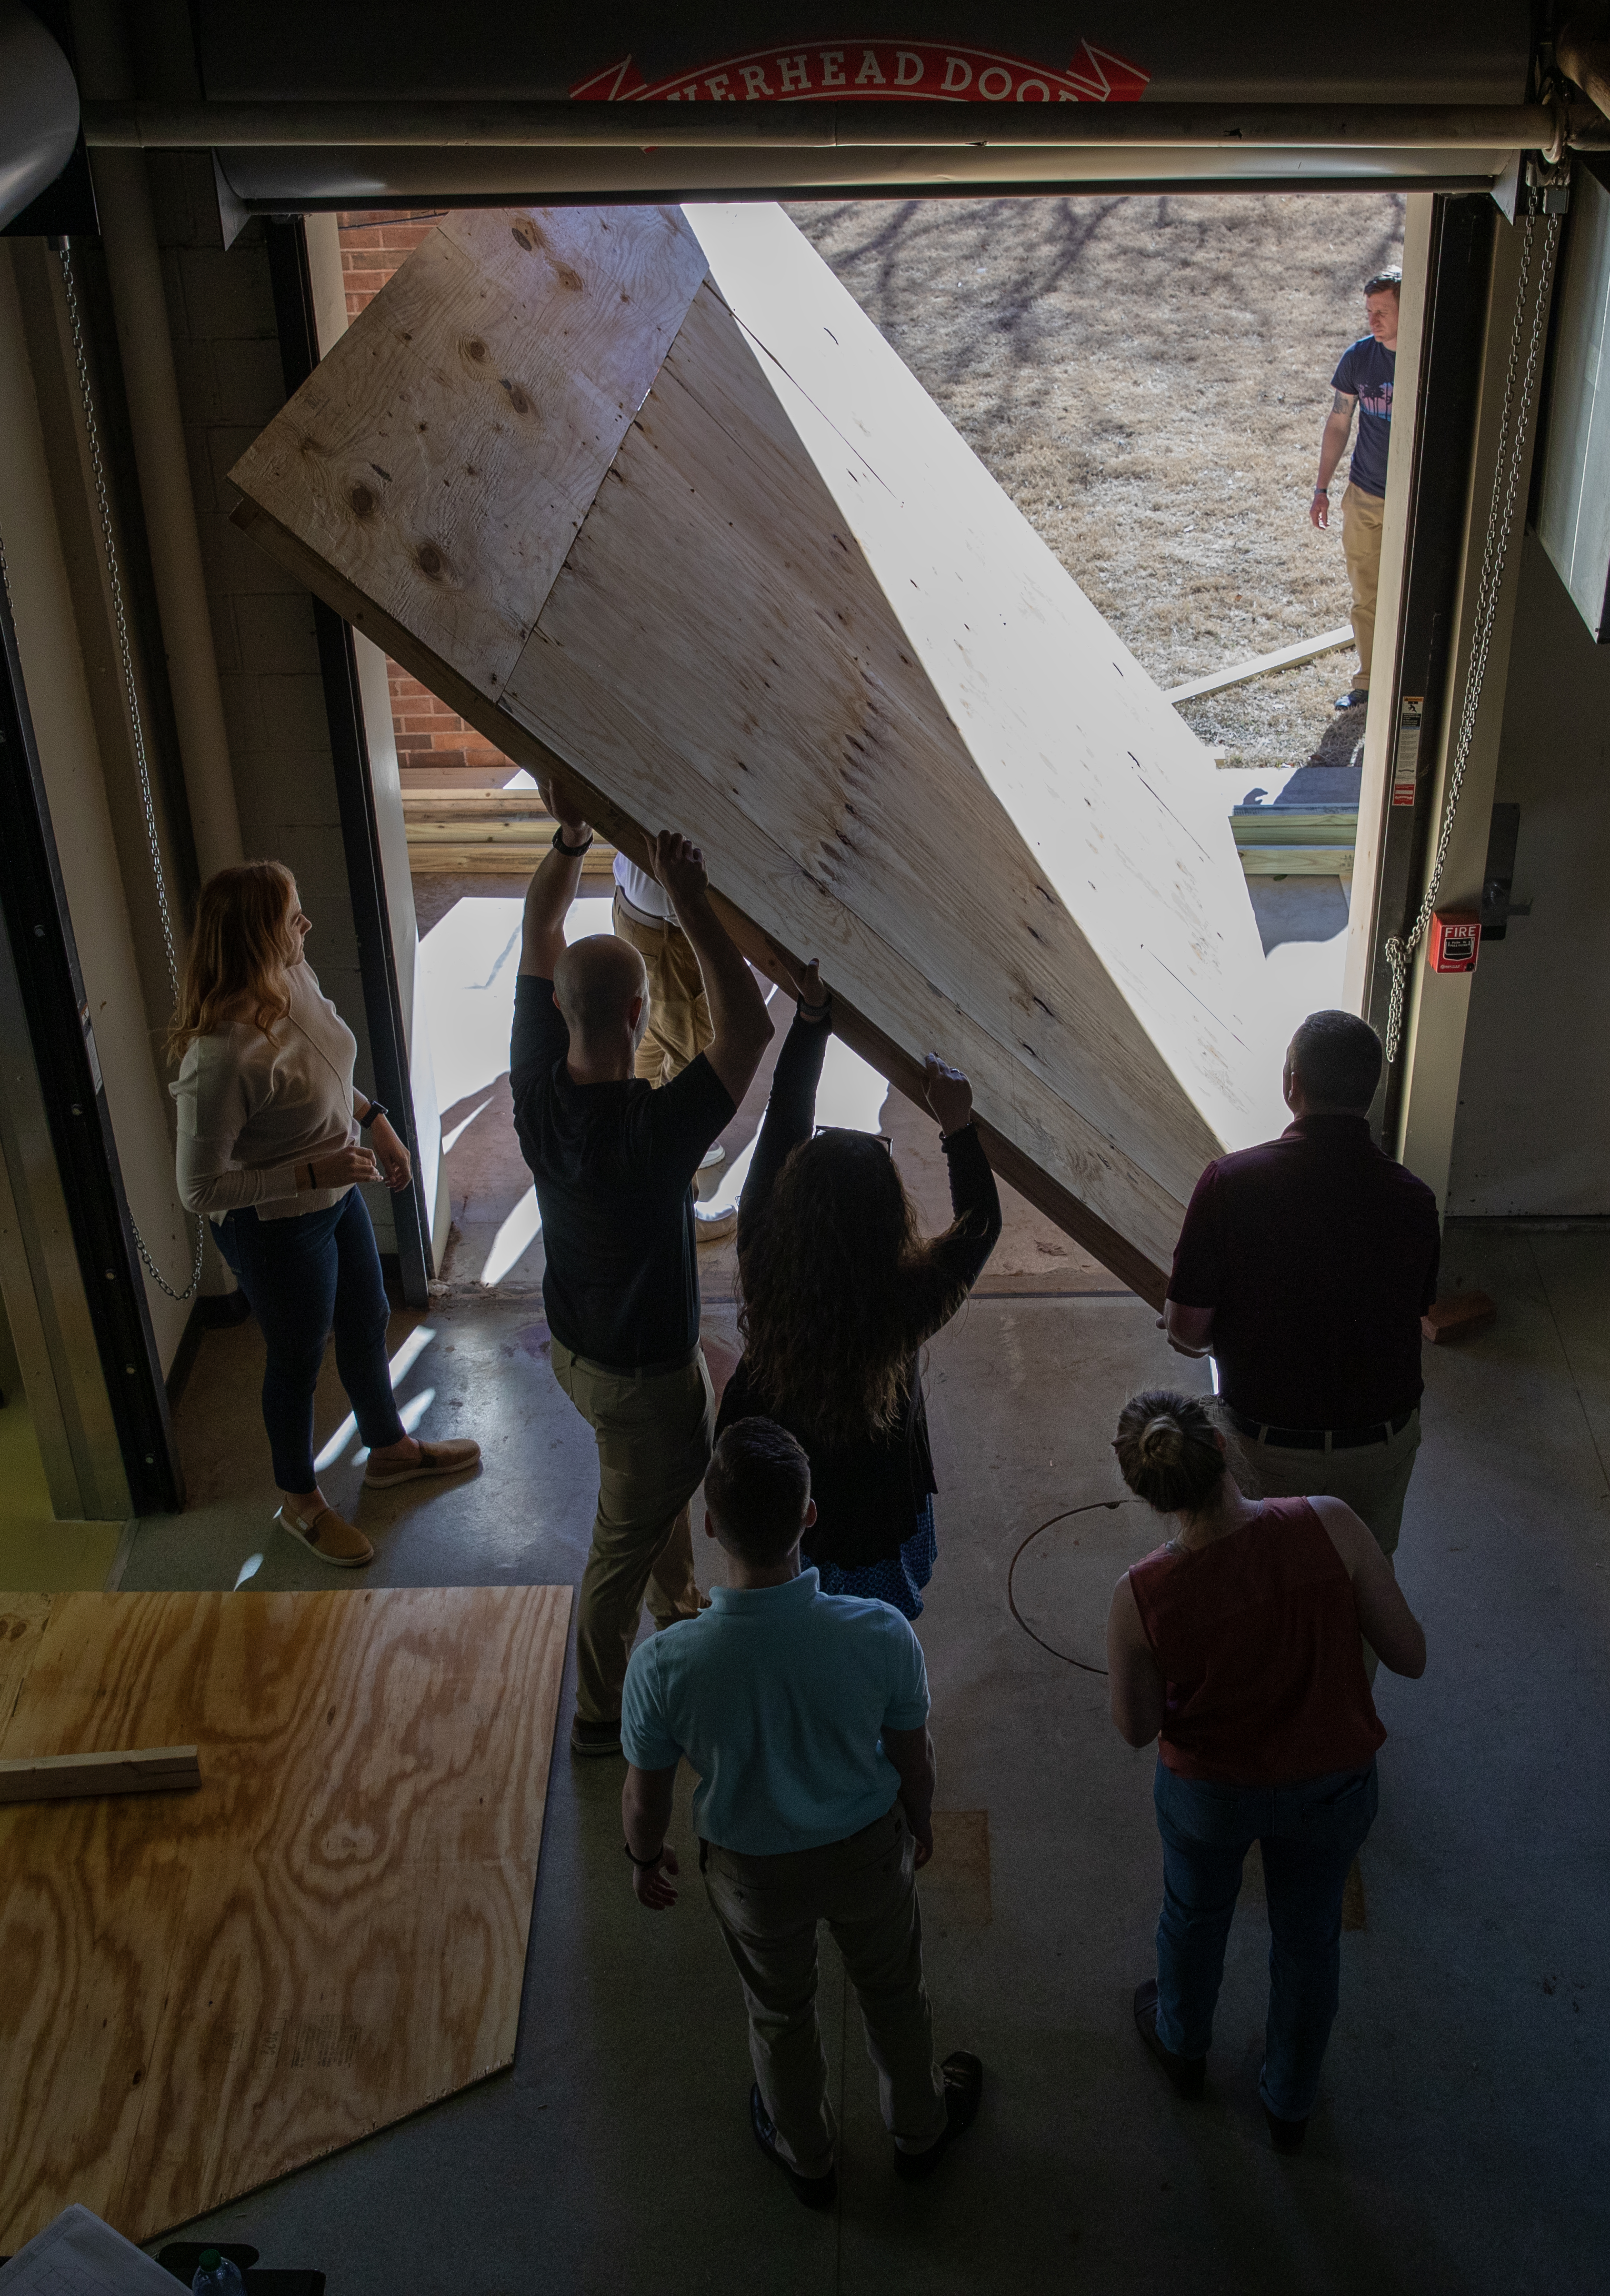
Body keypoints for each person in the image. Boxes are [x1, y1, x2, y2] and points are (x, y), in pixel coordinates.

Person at [621, 1419, 985, 2205]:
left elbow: (646, 1796)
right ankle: (919, 2128)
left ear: (711, 1524)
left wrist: (646, 1858)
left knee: (780, 2011)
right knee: (895, 1991)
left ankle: (806, 2150)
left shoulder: (665, 1665)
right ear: (809, 1516)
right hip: (865, 1850)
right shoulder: (880, 1634)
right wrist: (919, 1822)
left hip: (752, 1872)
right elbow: (913, 1757)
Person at [514, 784, 772, 1754]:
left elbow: (544, 926)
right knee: (618, 1543)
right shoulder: (652, 1136)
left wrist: (572, 839)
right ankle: (595, 1718)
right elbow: (747, 1035)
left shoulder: (536, 1087)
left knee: (649, 1489)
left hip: (579, 1355)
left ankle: (682, 1602)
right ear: (639, 1011)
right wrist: (692, 902)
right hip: (644, 1378)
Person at [1103, 1389, 1424, 2151]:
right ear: (1223, 1449)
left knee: (1193, 1913)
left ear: (1148, 1495)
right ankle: (1290, 2097)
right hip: (1333, 1785)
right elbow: (1409, 1655)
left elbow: (1136, 1729)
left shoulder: (1139, 1595)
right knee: (1310, 1936)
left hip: (1210, 1795)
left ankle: (1182, 2044)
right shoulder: (1332, 1524)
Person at [169, 861, 478, 1568]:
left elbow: (329, 1069)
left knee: (367, 1318)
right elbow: (199, 1190)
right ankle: (299, 1502)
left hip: (334, 1198)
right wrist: (312, 1171)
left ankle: (390, 1448)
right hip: (277, 1228)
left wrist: (376, 1120)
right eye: (292, 919)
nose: (305, 927)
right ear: (255, 938)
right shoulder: (218, 1059)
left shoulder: (291, 979)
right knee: (298, 1360)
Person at [719, 959, 999, 1619]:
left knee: (791, 1621)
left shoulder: (762, 1249)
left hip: (788, 1510)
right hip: (875, 1513)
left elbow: (782, 1120)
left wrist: (812, 1021)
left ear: (792, 1198)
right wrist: (959, 1128)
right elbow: (979, 1227)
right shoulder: (903, 1302)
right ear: (888, 1222)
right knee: (873, 1639)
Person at [1162, 1009, 1439, 1565]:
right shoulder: (1414, 1199)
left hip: (1268, 1448)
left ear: (1292, 1084)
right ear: (1370, 1092)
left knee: (1266, 1583)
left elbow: (1188, 1331)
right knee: (1359, 1586)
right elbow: (1415, 1310)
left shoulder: (1230, 1183)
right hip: (1380, 1445)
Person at [608, 845, 737, 1241]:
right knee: (694, 1060)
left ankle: (630, 1165)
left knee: (648, 1035)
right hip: (673, 927)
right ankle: (682, 1213)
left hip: (635, 908)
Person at [1309, 269, 1403, 720]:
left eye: (1383, 312)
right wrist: (1322, 488)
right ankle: (1368, 682)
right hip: (1365, 494)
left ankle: (1406, 679)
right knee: (1366, 593)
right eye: (1370, 312)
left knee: (1409, 592)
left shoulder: (1427, 359)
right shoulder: (1359, 358)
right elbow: (1339, 423)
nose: (1374, 321)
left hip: (1413, 500)